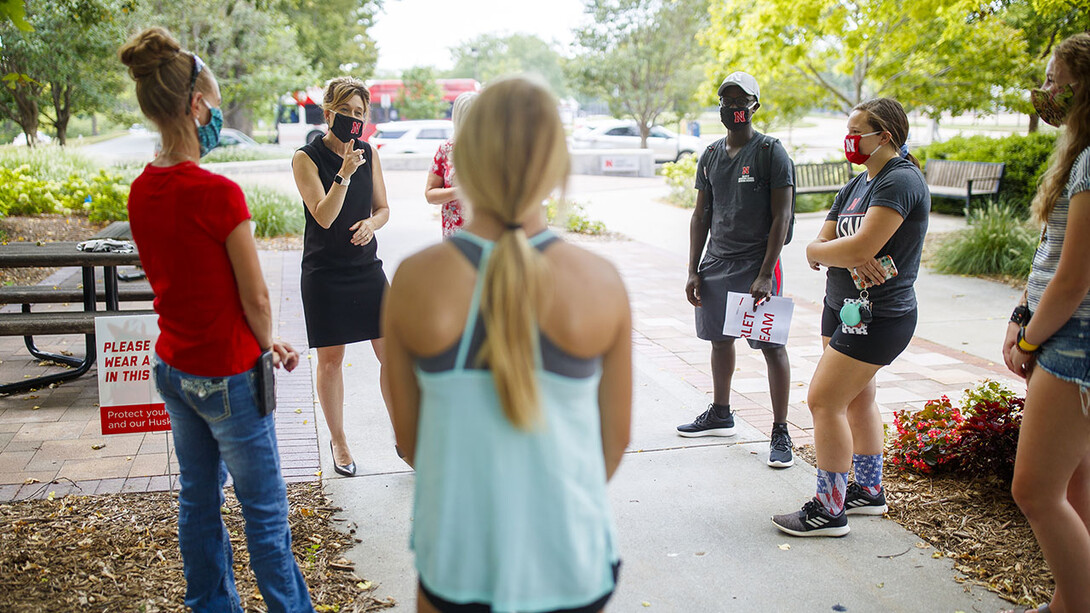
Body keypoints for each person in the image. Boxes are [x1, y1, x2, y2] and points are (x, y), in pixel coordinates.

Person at [382, 76, 632, 613]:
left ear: (463, 158)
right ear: (556, 165)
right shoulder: (600, 282)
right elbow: (611, 446)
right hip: (572, 560)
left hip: (456, 559)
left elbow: (410, 442)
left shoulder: (416, 280)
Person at [119, 27, 313, 612]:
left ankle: (211, 605)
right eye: (215, 101)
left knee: (197, 501)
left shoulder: (141, 190)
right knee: (265, 511)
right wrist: (268, 341)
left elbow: (184, 279)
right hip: (229, 374)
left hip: (173, 366)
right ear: (197, 105)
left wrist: (262, 336)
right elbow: (254, 298)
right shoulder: (219, 194)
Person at [772, 98, 929, 537]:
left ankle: (829, 509)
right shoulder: (857, 184)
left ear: (886, 137)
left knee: (824, 401)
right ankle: (869, 490)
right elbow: (818, 245)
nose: (850, 140)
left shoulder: (900, 180)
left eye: (857, 131)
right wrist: (840, 252)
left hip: (879, 315)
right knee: (857, 399)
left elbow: (856, 247)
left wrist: (851, 251)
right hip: (840, 307)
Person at [1005, 32, 1090, 613]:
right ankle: (1068, 596)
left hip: (1074, 346)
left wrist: (1033, 338)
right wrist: (1020, 314)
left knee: (1034, 490)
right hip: (1065, 339)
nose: (1048, 90)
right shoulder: (1080, 155)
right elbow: (1048, 253)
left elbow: (1074, 276)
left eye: (1056, 79)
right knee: (1077, 487)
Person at [679, 71, 796, 468]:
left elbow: (782, 216)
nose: (733, 109)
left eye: (740, 102)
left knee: (771, 345)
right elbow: (700, 216)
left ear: (754, 106)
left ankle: (780, 431)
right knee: (719, 339)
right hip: (717, 261)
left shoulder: (770, 152)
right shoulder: (711, 155)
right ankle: (721, 412)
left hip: (757, 265)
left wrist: (766, 272)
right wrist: (694, 268)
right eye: (726, 102)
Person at [292, 76, 391, 477]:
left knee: (392, 356)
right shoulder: (306, 158)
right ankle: (339, 441)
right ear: (328, 111)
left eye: (360, 114)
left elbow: (383, 208)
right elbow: (324, 215)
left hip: (367, 269)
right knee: (331, 361)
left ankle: (405, 435)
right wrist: (345, 173)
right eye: (346, 112)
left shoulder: (369, 152)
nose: (353, 120)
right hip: (325, 272)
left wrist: (373, 224)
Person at [425, 91, 478, 238]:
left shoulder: (494, 148)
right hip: (455, 238)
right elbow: (430, 194)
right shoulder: (446, 149)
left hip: (490, 237)